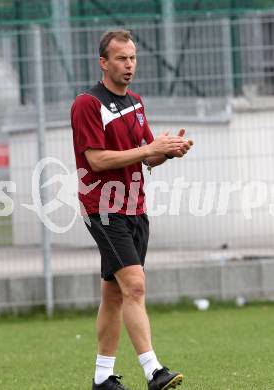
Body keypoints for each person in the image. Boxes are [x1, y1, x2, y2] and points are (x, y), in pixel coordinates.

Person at [71, 29, 193, 390]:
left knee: (114, 292)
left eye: (133, 57)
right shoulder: (87, 104)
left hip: (135, 207)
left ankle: (102, 377)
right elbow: (97, 159)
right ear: (103, 63)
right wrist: (147, 151)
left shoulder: (136, 102)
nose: (129, 64)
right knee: (135, 286)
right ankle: (154, 370)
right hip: (103, 209)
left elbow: (147, 154)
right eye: (122, 58)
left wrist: (169, 150)